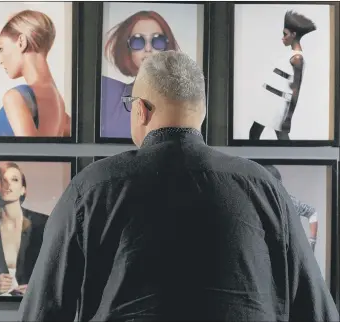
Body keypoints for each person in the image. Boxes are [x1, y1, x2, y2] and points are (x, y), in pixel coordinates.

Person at [18, 51, 338, 321]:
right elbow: (317, 312)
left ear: (141, 110)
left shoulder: (90, 189)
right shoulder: (265, 188)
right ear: (200, 113)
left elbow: (42, 312)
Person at [0, 10, 71, 138]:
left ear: (21, 42)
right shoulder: (60, 107)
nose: (0, 60)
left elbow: (30, 157)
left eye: (1, 48)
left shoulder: (16, 98)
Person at [101, 10, 179, 139]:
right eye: (138, 41)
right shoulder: (107, 91)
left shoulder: (187, 98)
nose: (148, 49)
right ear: (127, 49)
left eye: (157, 40)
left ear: (167, 46)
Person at [0, 162, 48, 296]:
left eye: (14, 179)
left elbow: (57, 268)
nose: (7, 185)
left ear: (23, 189)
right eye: (3, 180)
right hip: (1, 307)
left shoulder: (43, 223)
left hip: (37, 304)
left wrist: (38, 289)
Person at [248, 10, 316, 141]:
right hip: (269, 101)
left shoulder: (297, 58)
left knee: (280, 137)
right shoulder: (291, 55)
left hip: (277, 104)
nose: (283, 37)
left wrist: (288, 118)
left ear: (294, 34)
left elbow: (296, 90)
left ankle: (289, 161)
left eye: (285, 34)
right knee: (255, 133)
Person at [263, 165, 319, 252]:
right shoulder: (258, 203)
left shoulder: (291, 202)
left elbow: (312, 213)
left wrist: (312, 243)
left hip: (290, 252)